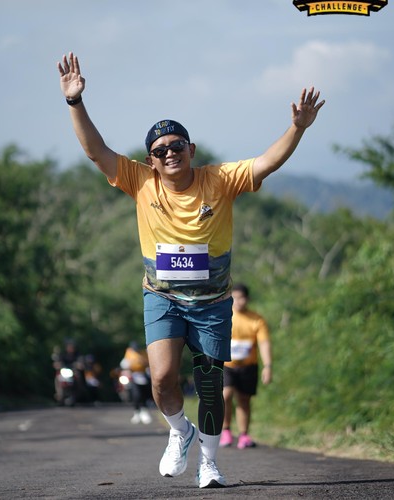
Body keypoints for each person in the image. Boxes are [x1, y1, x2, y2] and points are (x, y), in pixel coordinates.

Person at [57, 52, 324, 488]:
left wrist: (297, 128)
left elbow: (267, 162)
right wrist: (75, 101)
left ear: (191, 150)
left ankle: (210, 463)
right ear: (151, 160)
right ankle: (181, 431)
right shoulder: (140, 181)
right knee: (162, 379)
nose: (169, 153)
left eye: (176, 146)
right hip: (162, 297)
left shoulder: (220, 179)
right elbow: (95, 151)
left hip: (212, 301)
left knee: (209, 382)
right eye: (159, 151)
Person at [220, 284, 272, 449]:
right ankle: (226, 431)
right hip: (227, 365)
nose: (237, 301)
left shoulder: (256, 319)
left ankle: (244, 435)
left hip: (248, 366)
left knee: (244, 400)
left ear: (247, 299)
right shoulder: (224, 316)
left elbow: (263, 343)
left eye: (241, 298)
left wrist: (268, 366)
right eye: (234, 298)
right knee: (225, 395)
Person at [120, 341, 153, 424]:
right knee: (136, 395)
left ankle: (144, 411)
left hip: (143, 375)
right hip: (133, 376)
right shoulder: (129, 354)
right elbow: (123, 364)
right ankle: (137, 412)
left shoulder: (144, 354)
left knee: (144, 394)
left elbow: (148, 364)